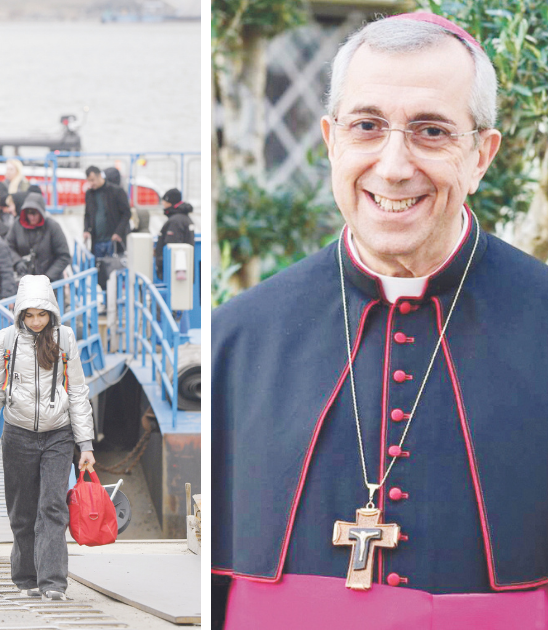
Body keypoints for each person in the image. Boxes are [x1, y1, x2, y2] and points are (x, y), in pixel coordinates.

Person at [206, 14, 548, 629]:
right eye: (368, 127)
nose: (393, 166)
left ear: (481, 156)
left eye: (431, 131)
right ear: (332, 140)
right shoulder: (236, 339)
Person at [0, 274, 96, 601]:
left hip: (58, 435)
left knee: (52, 507)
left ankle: (53, 583)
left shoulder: (65, 339)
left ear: (51, 311)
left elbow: (77, 392)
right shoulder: (7, 340)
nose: (36, 322)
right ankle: (27, 579)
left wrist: (86, 444)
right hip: (18, 434)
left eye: (42, 314)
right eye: (29, 315)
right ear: (20, 313)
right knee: (22, 510)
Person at [6, 193, 72, 282]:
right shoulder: (17, 226)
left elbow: (64, 256)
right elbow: (8, 246)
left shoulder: (53, 227)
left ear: (41, 212)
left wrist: (48, 277)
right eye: (29, 213)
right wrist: (17, 261)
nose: (32, 217)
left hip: (51, 285)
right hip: (26, 282)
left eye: (35, 213)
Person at [83, 165, 131, 258]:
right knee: (98, 268)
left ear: (100, 176)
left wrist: (118, 232)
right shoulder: (89, 194)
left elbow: (126, 213)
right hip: (96, 240)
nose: (91, 183)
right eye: (89, 181)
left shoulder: (117, 191)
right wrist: (86, 229)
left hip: (113, 240)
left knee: (114, 268)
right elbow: (87, 214)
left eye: (92, 180)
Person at [154, 189, 194, 281]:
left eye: (165, 201)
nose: (163, 203)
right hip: (184, 270)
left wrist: (160, 262)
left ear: (170, 202)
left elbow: (172, 245)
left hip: (174, 273)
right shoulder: (184, 218)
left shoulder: (175, 221)